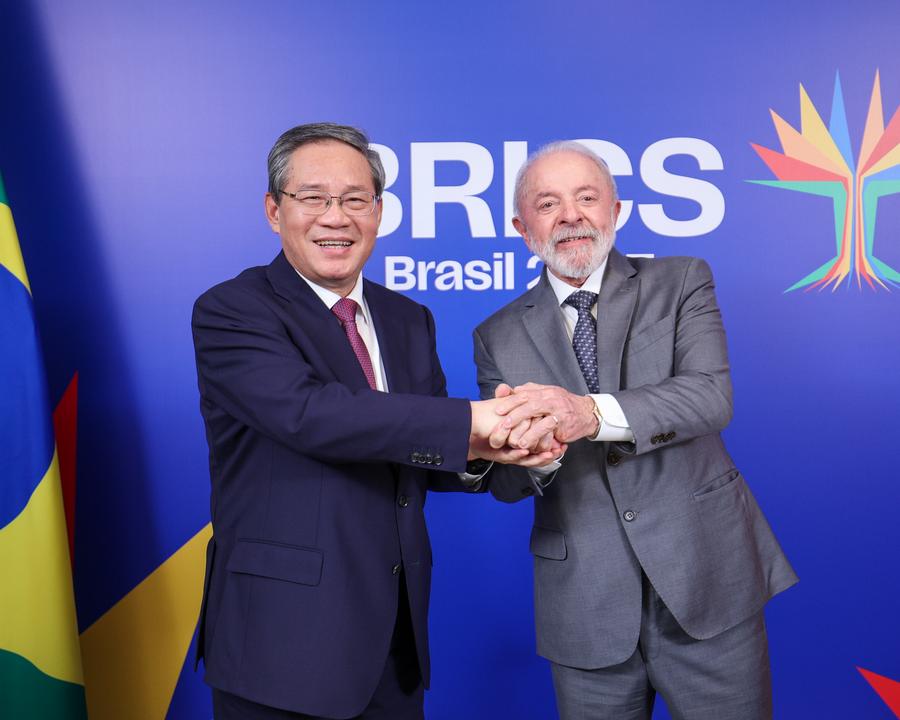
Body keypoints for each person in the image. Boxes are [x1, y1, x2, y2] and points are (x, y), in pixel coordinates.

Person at [191, 123, 558, 720]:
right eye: (313, 198)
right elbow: (311, 415)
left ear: (379, 212)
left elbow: (421, 450)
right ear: (274, 211)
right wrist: (472, 420)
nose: (336, 217)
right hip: (280, 648)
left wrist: (506, 446)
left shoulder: (407, 317)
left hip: (393, 644)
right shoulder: (232, 310)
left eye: (355, 199)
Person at [473, 141, 798, 720]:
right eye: (547, 204)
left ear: (615, 211)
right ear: (523, 229)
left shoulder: (681, 280)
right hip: (585, 605)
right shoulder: (495, 335)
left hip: (706, 581)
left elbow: (710, 396)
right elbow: (504, 484)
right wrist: (534, 458)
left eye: (586, 197)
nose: (570, 216)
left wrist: (588, 414)